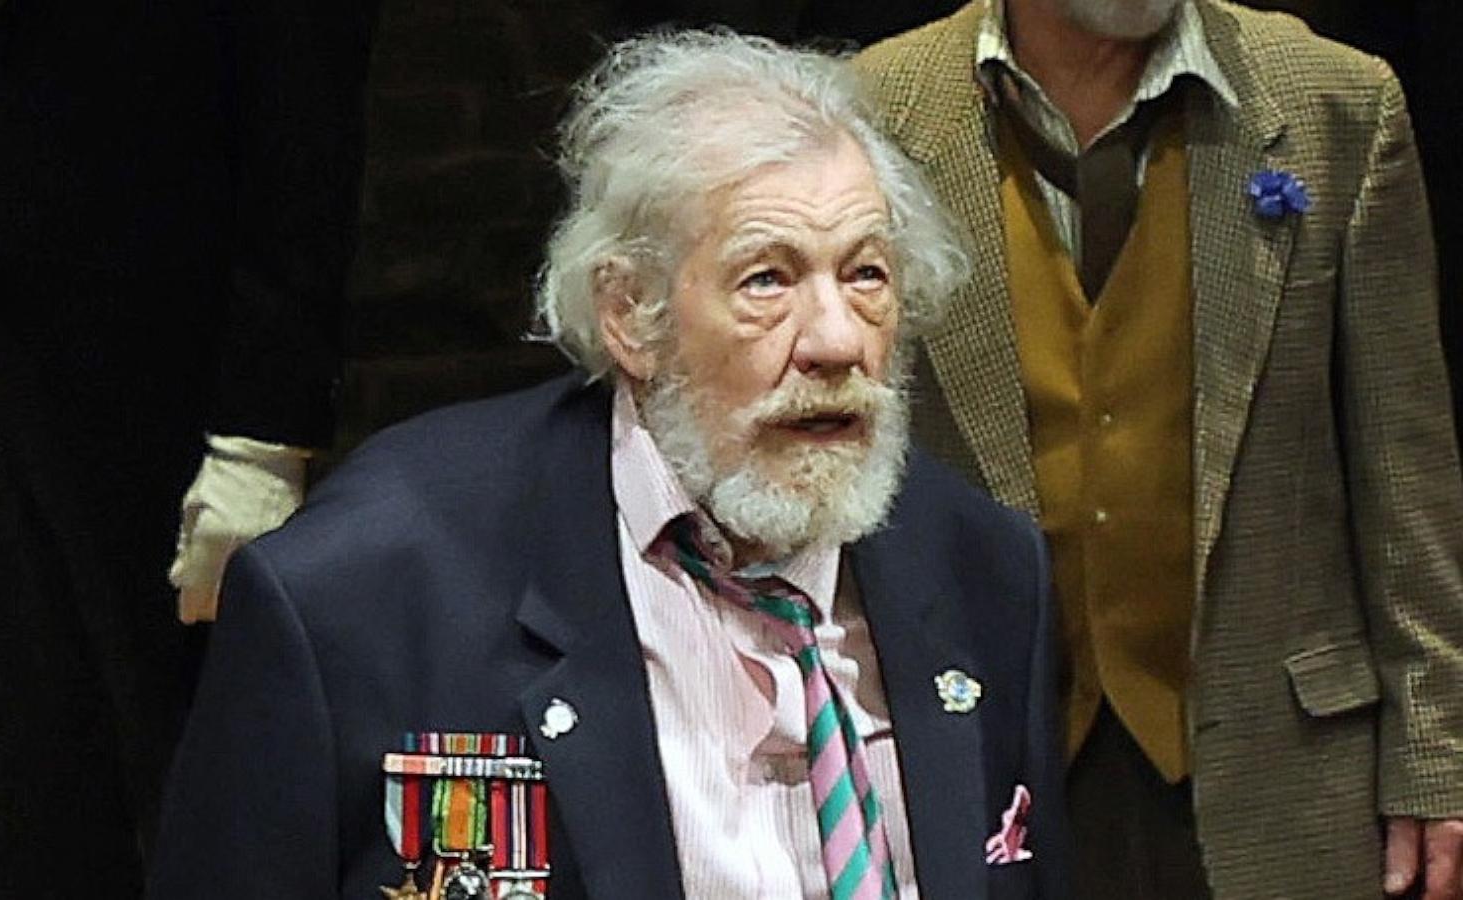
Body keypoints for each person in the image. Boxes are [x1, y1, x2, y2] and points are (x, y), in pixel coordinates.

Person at [149, 30, 1065, 900]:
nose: (835, 341)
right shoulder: (361, 591)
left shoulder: (986, 573)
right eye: (767, 280)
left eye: (866, 275)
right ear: (632, 314)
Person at [855, 1, 1463, 897]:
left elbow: (1404, 470)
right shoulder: (867, 113)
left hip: (1277, 770)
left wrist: (1435, 746)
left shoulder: (1339, 102)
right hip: (977, 765)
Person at [0, 1, 376, 896]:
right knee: (18, 769)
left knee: (197, 785)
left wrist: (264, 426)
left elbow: (307, 116)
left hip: (173, 373)